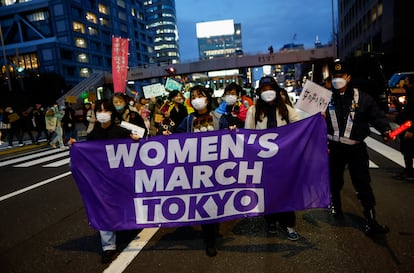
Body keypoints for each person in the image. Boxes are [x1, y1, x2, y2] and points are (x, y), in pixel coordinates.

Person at [68, 99, 141, 264]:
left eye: (105, 110)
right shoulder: (94, 134)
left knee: (124, 204)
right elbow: (88, 153)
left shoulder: (121, 131)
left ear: (111, 112)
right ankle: (108, 246)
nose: (102, 114)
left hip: (121, 178)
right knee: (103, 208)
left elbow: (136, 147)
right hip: (102, 180)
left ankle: (128, 226)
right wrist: (76, 146)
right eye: (99, 110)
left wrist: (136, 140)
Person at [325, 60, 391, 236]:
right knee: (334, 180)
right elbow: (313, 124)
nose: (337, 79)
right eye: (334, 76)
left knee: (363, 183)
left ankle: (371, 219)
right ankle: (336, 206)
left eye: (341, 76)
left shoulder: (362, 98)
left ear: (348, 77)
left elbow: (376, 115)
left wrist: (385, 129)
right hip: (334, 148)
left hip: (356, 148)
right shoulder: (324, 98)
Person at [244, 76, 300, 241]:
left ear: (276, 90)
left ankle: (288, 224)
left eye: (270, 88)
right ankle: (271, 222)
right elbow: (249, 134)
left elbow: (298, 127)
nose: (267, 92)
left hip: (284, 159)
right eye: (264, 89)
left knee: (286, 191)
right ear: (259, 92)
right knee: (267, 192)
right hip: (264, 161)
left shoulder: (286, 109)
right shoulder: (253, 111)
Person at [175, 85, 221, 257]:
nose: (196, 99)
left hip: (218, 168)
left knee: (216, 201)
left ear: (207, 98)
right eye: (193, 96)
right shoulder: (188, 120)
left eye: (199, 95)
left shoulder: (218, 118)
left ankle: (213, 228)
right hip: (196, 170)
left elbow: (232, 136)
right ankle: (210, 239)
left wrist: (232, 131)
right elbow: (175, 136)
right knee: (204, 202)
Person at [394, 75, 414, 180]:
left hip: (410, 127)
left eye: (405, 81)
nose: (403, 83)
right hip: (406, 125)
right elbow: (406, 112)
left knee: (409, 151)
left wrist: (411, 130)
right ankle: (408, 171)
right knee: (406, 151)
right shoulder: (409, 94)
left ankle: (409, 172)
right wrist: (397, 104)